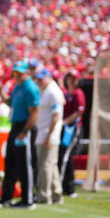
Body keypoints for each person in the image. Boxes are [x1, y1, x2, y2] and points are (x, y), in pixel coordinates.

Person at [0, 60, 40, 209]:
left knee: (25, 166)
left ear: (27, 73)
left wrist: (25, 131)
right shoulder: (17, 88)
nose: (17, 76)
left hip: (25, 127)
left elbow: (34, 112)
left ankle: (28, 199)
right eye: (15, 73)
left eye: (19, 73)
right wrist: (0, 92)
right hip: (15, 126)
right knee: (10, 163)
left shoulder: (30, 88)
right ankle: (6, 197)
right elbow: (11, 103)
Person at [33, 68, 65, 205]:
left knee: (45, 165)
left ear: (48, 77)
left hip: (48, 133)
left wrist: (49, 135)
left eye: (41, 78)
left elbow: (56, 115)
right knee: (50, 165)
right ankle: (56, 193)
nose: (38, 81)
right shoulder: (45, 90)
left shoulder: (53, 91)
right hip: (44, 132)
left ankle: (44, 195)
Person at [59, 70, 85, 198]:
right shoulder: (65, 93)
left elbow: (78, 112)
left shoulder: (78, 93)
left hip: (73, 129)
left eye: (73, 78)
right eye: (69, 77)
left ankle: (68, 187)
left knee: (66, 156)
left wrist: (65, 122)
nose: (71, 80)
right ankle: (66, 186)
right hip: (65, 129)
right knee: (64, 156)